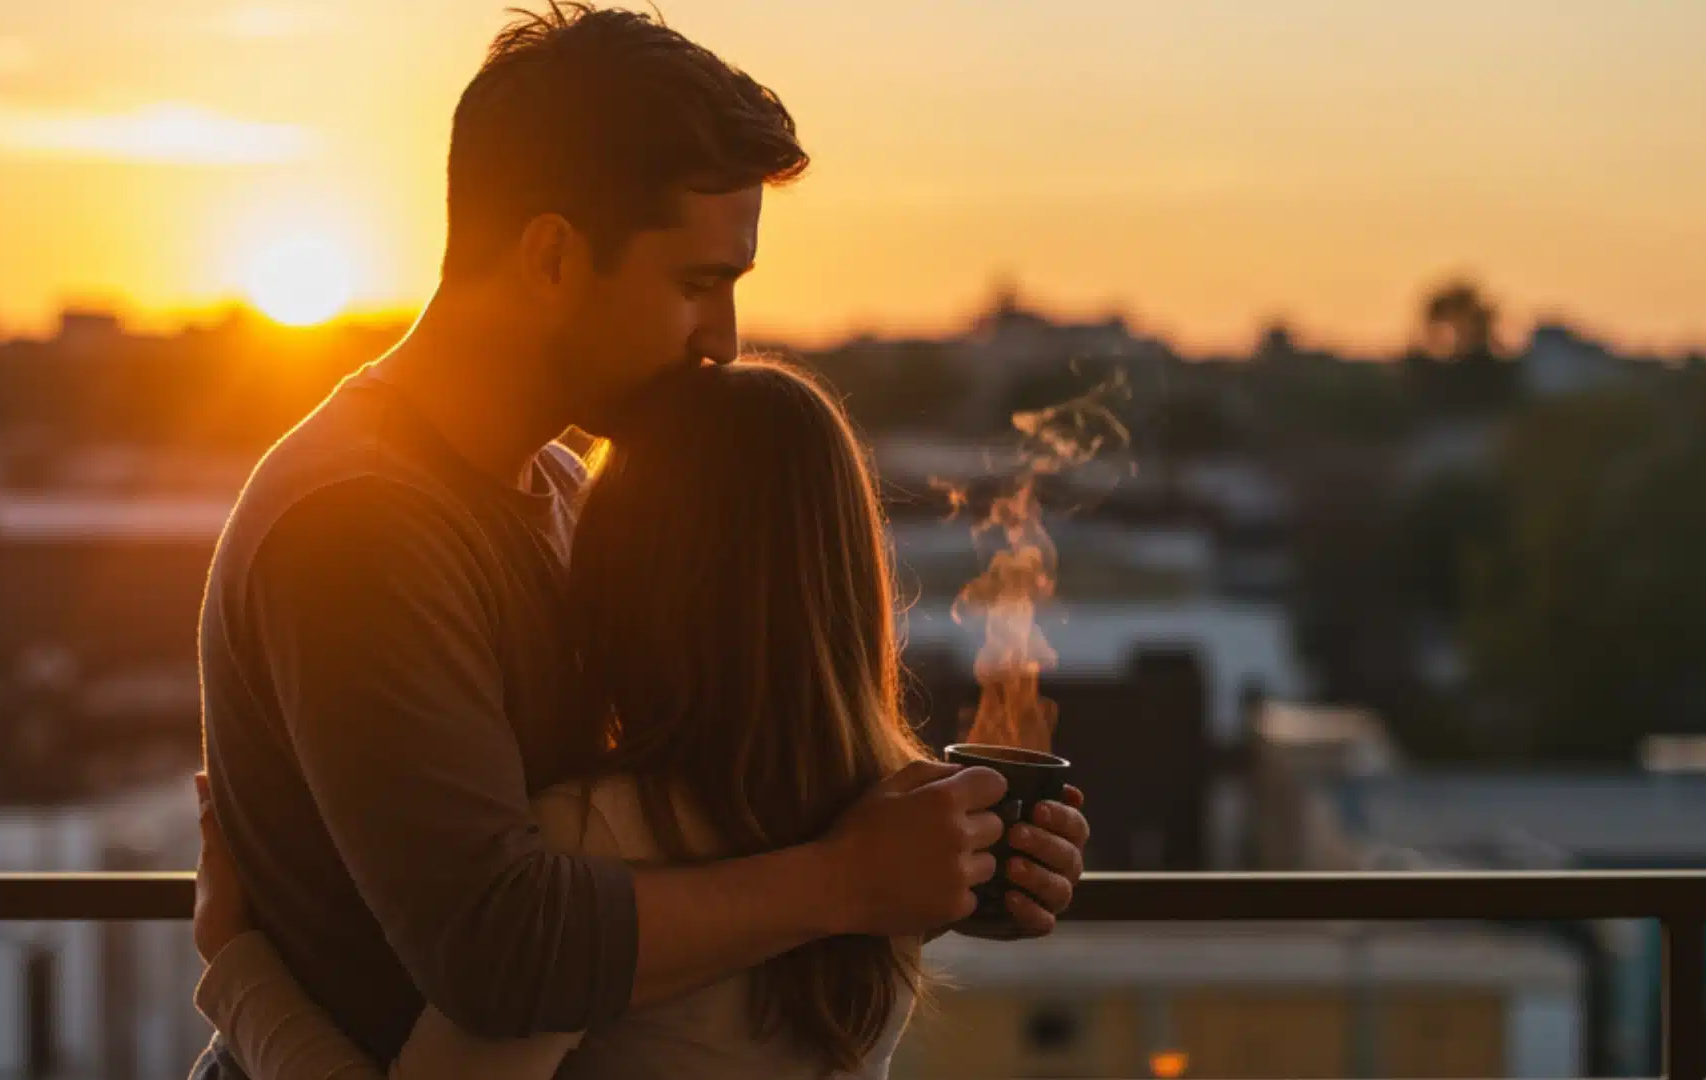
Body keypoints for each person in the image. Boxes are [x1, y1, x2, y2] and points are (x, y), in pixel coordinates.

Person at [193, 5, 1091, 1078]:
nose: (725, 341)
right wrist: (847, 879)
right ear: (552, 256)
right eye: (697, 284)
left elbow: (670, 825)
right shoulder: (360, 526)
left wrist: (934, 843)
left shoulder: (557, 487)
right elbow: (501, 949)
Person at [193, 360, 1077, 1078]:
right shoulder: (899, 827)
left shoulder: (594, 840)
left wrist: (236, 970)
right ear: (852, 575)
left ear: (622, 572)